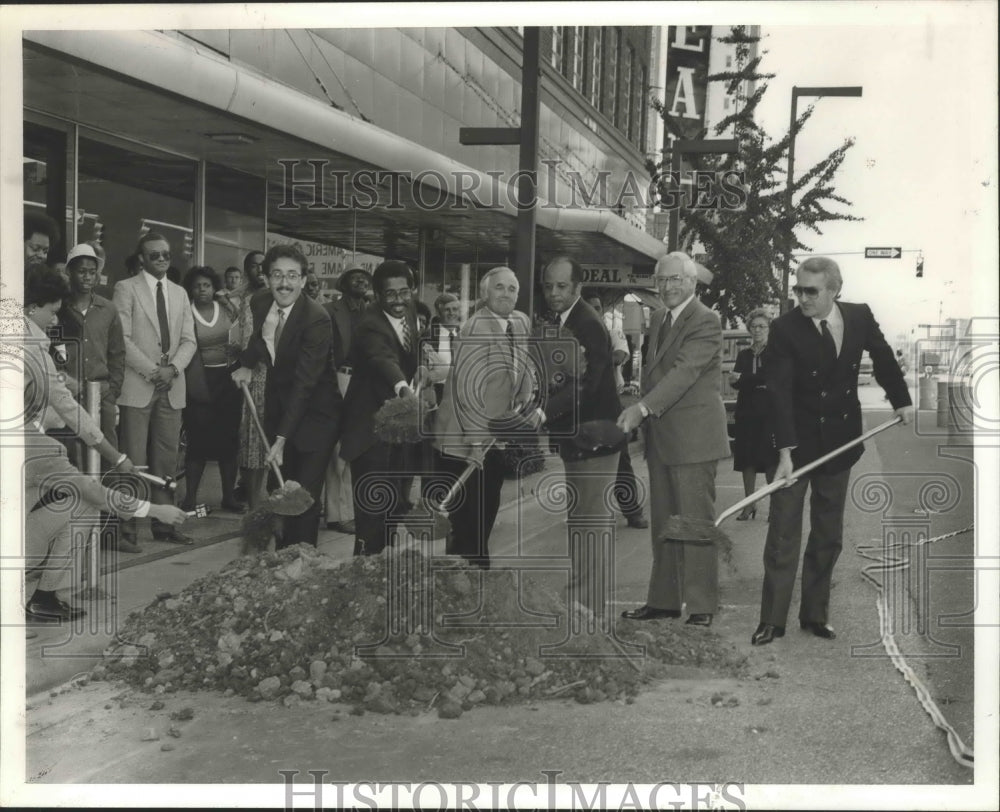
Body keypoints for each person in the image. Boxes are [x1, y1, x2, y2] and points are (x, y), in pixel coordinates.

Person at [751, 256, 914, 646]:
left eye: (811, 291)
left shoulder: (858, 317)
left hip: (840, 442)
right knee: (783, 535)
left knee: (827, 533)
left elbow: (883, 357)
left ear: (834, 290)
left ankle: (815, 615)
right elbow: (779, 392)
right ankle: (772, 621)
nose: (802, 298)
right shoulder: (785, 328)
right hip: (796, 444)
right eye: (798, 289)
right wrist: (786, 451)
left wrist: (901, 400)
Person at [617, 251, 731, 628]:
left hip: (694, 439)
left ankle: (701, 606)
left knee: (694, 522)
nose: (668, 286)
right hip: (663, 439)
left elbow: (684, 373)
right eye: (662, 280)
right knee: (665, 523)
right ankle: (664, 600)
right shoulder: (659, 319)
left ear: (693, 283)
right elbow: (657, 372)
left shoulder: (706, 320)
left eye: (676, 280)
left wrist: (643, 409)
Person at [231, 244, 341, 547]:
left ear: (304, 281)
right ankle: (283, 558)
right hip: (281, 409)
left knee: (302, 496)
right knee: (280, 487)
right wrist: (246, 365)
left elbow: (306, 383)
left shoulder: (316, 318)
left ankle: (302, 564)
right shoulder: (261, 301)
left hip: (317, 417)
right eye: (277, 275)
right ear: (266, 278)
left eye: (293, 276)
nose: (284, 283)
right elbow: (261, 339)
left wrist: (281, 439)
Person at [433, 267, 536, 569]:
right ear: (484, 293)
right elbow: (468, 388)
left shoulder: (518, 321)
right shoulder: (476, 328)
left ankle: (472, 573)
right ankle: (467, 579)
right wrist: (475, 442)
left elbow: (524, 359)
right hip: (465, 438)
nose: (506, 294)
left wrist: (525, 388)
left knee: (487, 507)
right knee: (471, 520)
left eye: (512, 289)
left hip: (493, 436)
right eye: (499, 288)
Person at [541, 258, 627, 615]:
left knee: (590, 525)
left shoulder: (586, 324)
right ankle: (583, 605)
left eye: (562, 286)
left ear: (577, 288)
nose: (554, 293)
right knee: (582, 523)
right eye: (548, 286)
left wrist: (543, 411)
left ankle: (586, 608)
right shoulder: (564, 321)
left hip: (595, 438)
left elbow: (589, 387)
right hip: (580, 439)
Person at [113, 232, 197, 547]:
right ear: (142, 259)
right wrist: (153, 371)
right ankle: (129, 527)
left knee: (167, 460)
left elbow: (190, 339)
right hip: (139, 384)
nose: (161, 259)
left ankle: (165, 526)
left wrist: (173, 369)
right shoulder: (126, 288)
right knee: (133, 459)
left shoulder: (179, 293)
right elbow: (122, 338)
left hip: (172, 386)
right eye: (154, 255)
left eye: (165, 254)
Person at [339, 260, 421, 556]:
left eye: (404, 292)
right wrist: (403, 388)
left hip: (397, 431)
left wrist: (425, 364)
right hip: (369, 431)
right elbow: (382, 358)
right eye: (391, 294)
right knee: (372, 510)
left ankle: (383, 570)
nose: (398, 300)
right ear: (377, 294)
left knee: (395, 506)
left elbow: (406, 352)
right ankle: (364, 567)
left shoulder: (410, 311)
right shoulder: (368, 323)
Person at [53, 243, 126, 465]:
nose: (87, 277)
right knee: (70, 454)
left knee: (106, 454)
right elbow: (51, 350)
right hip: (69, 395)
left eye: (92, 272)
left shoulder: (108, 309)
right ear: (70, 272)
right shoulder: (58, 309)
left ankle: (106, 499)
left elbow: (117, 353)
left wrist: (112, 392)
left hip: (101, 394)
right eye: (82, 271)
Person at [181, 266, 244, 514]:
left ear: (213, 286)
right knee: (198, 441)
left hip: (228, 380)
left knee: (229, 441)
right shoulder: (186, 312)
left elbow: (241, 333)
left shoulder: (226, 308)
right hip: (199, 380)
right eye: (197, 286)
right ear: (191, 289)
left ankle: (229, 496)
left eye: (206, 285)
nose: (202, 290)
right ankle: (190, 499)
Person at [583, 292, 649, 530]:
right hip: (582, 406)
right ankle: (587, 511)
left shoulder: (612, 333)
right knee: (583, 460)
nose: (595, 311)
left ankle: (633, 512)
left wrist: (589, 361)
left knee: (621, 460)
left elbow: (619, 355)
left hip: (608, 405)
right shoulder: (574, 335)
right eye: (590, 307)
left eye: (598, 307)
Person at [322, 267, 372, 534]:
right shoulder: (329, 311)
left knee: (358, 448)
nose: (362, 280)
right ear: (343, 284)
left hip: (365, 383)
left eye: (365, 277)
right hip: (339, 379)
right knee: (339, 450)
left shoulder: (372, 312)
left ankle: (350, 510)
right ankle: (336, 514)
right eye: (355, 277)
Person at [228, 249, 270, 509]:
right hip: (247, 375)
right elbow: (237, 336)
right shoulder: (239, 300)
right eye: (254, 266)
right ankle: (252, 498)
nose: (260, 270)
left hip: (270, 374)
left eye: (264, 266)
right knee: (249, 440)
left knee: (265, 438)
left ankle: (261, 496)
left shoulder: (278, 297)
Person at [729, 309, 777, 520]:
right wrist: (752, 379)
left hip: (769, 413)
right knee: (747, 460)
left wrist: (746, 378)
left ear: (769, 329)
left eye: (762, 326)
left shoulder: (776, 352)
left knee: (770, 462)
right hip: (747, 412)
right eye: (754, 326)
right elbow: (735, 382)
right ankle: (749, 505)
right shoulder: (744, 354)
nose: (757, 330)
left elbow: (771, 379)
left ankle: (775, 508)